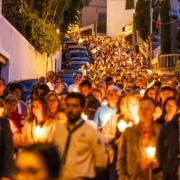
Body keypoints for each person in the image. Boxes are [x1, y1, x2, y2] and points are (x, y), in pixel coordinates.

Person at [52, 92, 107, 180]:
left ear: (82, 108)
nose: (70, 109)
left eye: (75, 106)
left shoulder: (92, 132)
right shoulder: (58, 132)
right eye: (68, 105)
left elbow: (100, 163)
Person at [116, 97, 162, 180]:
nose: (143, 112)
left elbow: (169, 159)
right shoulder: (128, 132)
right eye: (141, 108)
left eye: (147, 108)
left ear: (153, 111)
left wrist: (159, 164)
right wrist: (123, 177)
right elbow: (121, 158)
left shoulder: (162, 132)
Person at [102, 95, 126, 180]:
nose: (125, 106)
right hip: (114, 157)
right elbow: (104, 134)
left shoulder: (136, 119)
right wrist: (113, 139)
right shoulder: (113, 118)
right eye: (122, 103)